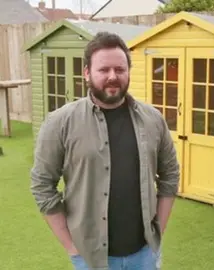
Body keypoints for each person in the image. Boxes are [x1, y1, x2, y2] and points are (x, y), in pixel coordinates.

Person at [30, 31, 180, 270]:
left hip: (145, 255)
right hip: (90, 258)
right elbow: (42, 184)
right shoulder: (60, 122)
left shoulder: (154, 120)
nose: (113, 76)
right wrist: (71, 246)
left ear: (128, 72)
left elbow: (170, 175)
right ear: (87, 73)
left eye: (120, 69)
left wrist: (158, 233)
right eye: (104, 70)